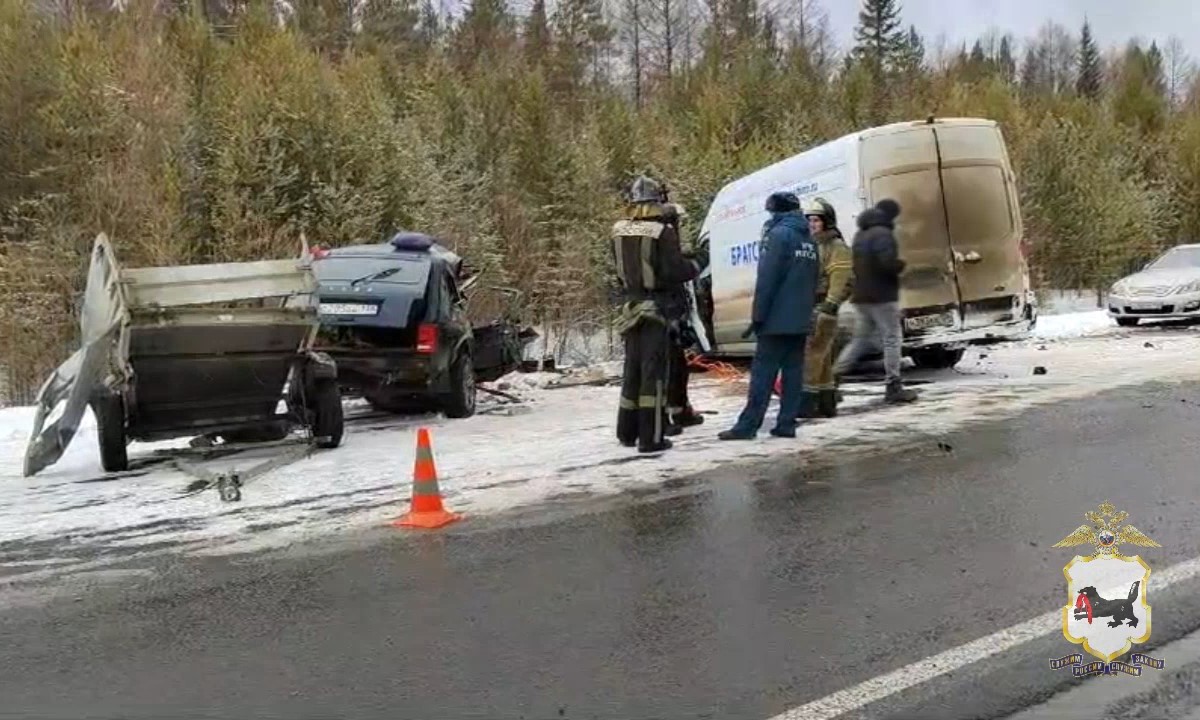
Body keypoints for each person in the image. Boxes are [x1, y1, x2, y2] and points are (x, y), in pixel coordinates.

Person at [611, 176, 703, 453]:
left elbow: (621, 270)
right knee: (654, 374)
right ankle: (651, 438)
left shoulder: (618, 230)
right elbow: (674, 271)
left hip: (630, 308)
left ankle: (627, 432)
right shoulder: (662, 232)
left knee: (632, 372)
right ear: (656, 201)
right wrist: (698, 261)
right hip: (656, 310)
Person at [718, 191, 820, 440]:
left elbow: (767, 279)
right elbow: (813, 281)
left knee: (763, 375)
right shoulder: (809, 240)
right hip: (800, 319)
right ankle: (787, 423)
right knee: (793, 373)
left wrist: (758, 316)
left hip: (775, 319)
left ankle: (747, 426)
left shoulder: (777, 235)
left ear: (776, 211)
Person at [832, 198, 918, 404]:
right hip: (882, 297)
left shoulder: (861, 234)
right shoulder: (882, 234)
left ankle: (831, 381)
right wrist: (900, 266)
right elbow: (886, 263)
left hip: (862, 296)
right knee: (892, 339)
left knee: (859, 341)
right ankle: (893, 386)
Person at [799, 197, 854, 418]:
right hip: (814, 305)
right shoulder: (815, 245)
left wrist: (829, 305)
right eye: (809, 220)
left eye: (816, 220)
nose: (812, 224)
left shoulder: (835, 246)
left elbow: (841, 278)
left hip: (823, 306)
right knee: (821, 357)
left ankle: (807, 403)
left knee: (811, 355)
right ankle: (825, 402)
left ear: (826, 221)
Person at [661, 201, 706, 433]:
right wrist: (700, 261)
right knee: (668, 366)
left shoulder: (665, 242)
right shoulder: (662, 240)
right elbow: (677, 269)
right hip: (664, 313)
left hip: (673, 311)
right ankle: (665, 416)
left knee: (679, 366)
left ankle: (680, 411)